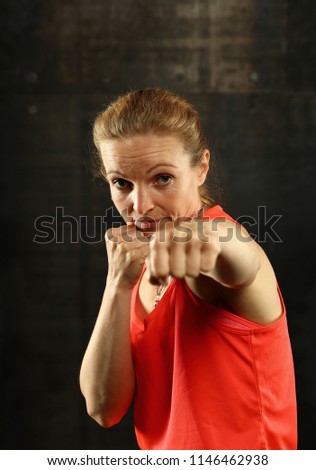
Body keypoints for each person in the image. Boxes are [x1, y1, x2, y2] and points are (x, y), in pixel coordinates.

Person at [79, 88, 297, 450]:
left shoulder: (221, 241)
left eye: (162, 178)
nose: (141, 205)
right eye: (122, 183)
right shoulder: (134, 261)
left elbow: (236, 258)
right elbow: (103, 408)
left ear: (201, 168)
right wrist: (117, 284)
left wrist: (200, 242)